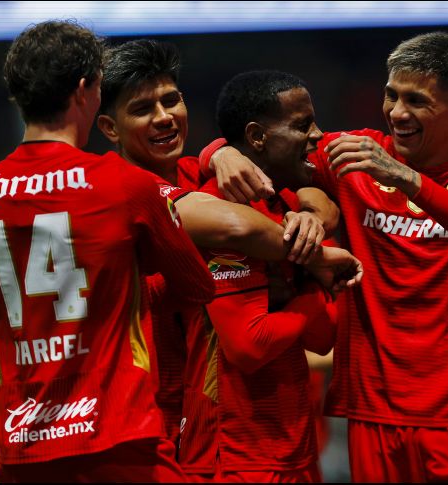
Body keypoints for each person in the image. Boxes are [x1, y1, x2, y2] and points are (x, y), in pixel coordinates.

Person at [200, 31, 448, 483]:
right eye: (391, 95)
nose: (398, 113)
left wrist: (406, 179)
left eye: (417, 101)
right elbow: (270, 148)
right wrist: (218, 152)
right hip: (374, 418)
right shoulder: (357, 153)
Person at [0, 20, 215, 482]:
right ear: (86, 90)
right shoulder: (124, 185)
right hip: (121, 445)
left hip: (22, 455)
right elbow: (196, 286)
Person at [96, 38, 349, 449]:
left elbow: (316, 197)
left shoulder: (198, 174)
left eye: (171, 100)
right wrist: (312, 254)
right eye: (143, 109)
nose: (164, 117)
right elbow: (238, 229)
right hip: (135, 420)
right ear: (109, 128)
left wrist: (309, 213)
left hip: (199, 419)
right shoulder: (115, 191)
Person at [180, 70, 353, 483]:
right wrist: (311, 295)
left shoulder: (291, 203)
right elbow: (249, 344)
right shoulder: (219, 211)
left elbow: (323, 335)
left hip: (294, 444)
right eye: (301, 125)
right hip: (237, 453)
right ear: (257, 136)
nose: (317, 135)